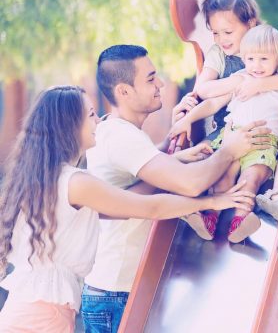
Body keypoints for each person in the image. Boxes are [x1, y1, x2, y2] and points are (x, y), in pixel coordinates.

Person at [0, 85, 257, 332]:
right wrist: (213, 198)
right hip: (40, 319)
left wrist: (169, 161)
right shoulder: (76, 182)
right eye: (91, 115)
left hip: (29, 311)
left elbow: (124, 202)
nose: (98, 123)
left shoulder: (50, 179)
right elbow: (150, 208)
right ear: (69, 126)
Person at [80, 44, 272, 332]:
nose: (161, 84)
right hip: (117, 294)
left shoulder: (115, 130)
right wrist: (230, 151)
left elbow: (140, 178)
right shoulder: (121, 137)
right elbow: (191, 183)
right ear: (123, 91)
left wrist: (172, 145)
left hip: (120, 289)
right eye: (150, 78)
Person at [172, 25, 278, 243]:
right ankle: (208, 219)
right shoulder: (240, 79)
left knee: (249, 181)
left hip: (262, 143)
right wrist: (187, 119)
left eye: (263, 59)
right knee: (221, 180)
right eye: (250, 59)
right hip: (230, 139)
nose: (256, 66)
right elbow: (213, 104)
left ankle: (240, 223)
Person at [169, 0, 278, 223]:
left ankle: (242, 216)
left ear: (250, 24)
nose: (222, 39)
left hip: (263, 132)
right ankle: (203, 213)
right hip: (226, 128)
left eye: (228, 32)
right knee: (204, 161)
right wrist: (236, 82)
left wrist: (258, 85)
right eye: (216, 33)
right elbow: (204, 90)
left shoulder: (267, 48)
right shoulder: (220, 55)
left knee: (249, 171)